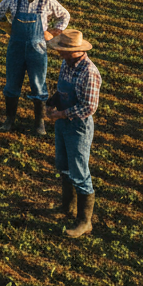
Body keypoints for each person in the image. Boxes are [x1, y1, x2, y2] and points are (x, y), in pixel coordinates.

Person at [0, 0, 70, 136]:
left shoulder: (47, 1)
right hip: (16, 48)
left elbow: (65, 16)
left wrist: (53, 32)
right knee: (12, 84)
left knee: (38, 84)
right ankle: (9, 120)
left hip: (38, 49)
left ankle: (39, 123)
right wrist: (9, 29)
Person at [45, 30, 101, 239]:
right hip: (62, 124)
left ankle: (84, 221)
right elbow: (62, 90)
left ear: (74, 51)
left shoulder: (89, 72)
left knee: (79, 171)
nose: (59, 52)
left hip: (78, 127)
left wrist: (62, 113)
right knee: (64, 166)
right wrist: (52, 102)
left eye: (62, 50)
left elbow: (89, 107)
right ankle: (67, 207)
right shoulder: (66, 65)